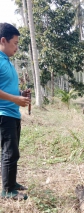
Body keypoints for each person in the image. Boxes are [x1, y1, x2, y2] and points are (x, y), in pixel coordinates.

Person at [0, 23, 31, 200]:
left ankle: (12, 183)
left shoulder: (7, 61)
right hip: (3, 114)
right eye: (15, 43)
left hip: (13, 113)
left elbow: (6, 88)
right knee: (9, 152)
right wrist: (15, 99)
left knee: (13, 151)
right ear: (3, 40)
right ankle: (7, 190)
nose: (17, 48)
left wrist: (20, 94)